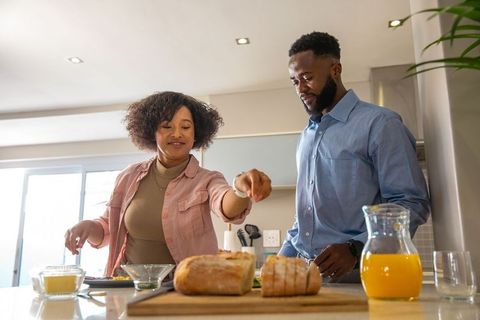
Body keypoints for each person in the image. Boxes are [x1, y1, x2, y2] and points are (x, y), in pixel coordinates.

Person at [65, 91, 272, 276]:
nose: (177, 134)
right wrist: (88, 227)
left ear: (195, 134)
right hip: (127, 288)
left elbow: (225, 204)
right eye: (167, 126)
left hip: (185, 291)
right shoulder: (128, 177)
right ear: (151, 132)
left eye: (185, 127)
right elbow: (108, 229)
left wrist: (240, 189)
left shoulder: (207, 179)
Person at [279, 32, 430, 282]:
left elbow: (412, 203)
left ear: (335, 69)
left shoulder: (380, 124)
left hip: (364, 279)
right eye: (295, 81)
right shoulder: (306, 137)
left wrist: (355, 247)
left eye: (307, 78)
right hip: (309, 280)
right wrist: (282, 259)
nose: (301, 89)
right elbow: (304, 216)